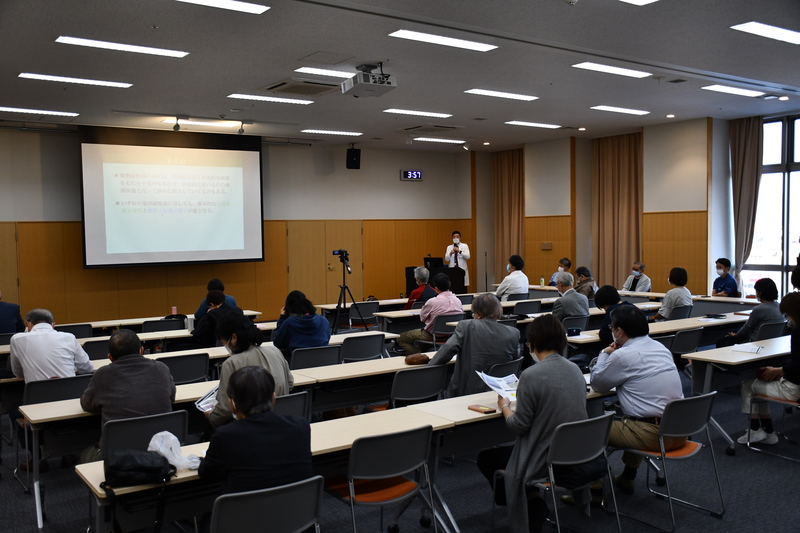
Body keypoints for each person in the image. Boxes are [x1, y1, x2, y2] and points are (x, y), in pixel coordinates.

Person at [476, 315, 588, 533]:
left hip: (545, 458)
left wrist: (505, 407)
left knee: (487, 458)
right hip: (575, 452)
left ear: (533, 342)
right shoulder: (575, 369)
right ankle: (532, 499)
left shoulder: (531, 375)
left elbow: (518, 427)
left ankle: (529, 503)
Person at [590, 305, 685, 494]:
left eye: (612, 328)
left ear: (620, 331)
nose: (611, 331)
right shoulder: (661, 348)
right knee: (633, 418)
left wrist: (604, 353)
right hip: (680, 429)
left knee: (591, 429)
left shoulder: (623, 355)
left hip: (653, 435)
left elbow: (597, 384)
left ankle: (593, 491)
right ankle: (627, 477)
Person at [199, 366, 312, 495]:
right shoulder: (301, 426)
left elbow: (206, 474)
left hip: (244, 513)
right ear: (273, 399)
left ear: (232, 405)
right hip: (296, 511)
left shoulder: (225, 436)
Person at [79, 329, 176, 462]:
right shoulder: (161, 368)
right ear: (141, 350)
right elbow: (171, 399)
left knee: (84, 453)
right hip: (160, 449)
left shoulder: (102, 375)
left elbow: (87, 404)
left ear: (110, 357)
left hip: (118, 455)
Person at [207, 313, 293, 430]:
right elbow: (290, 384)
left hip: (247, 426)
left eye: (223, 342)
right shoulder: (275, 351)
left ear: (233, 338)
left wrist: (212, 417)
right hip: (280, 421)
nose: (225, 346)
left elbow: (226, 408)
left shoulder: (231, 363)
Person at [426, 293, 519, 397]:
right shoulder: (513, 333)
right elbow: (515, 361)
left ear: (478, 314)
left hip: (466, 391)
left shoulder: (466, 326)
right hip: (500, 392)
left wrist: (429, 368)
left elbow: (447, 351)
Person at [738, 292, 800, 445]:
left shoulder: (798, 333)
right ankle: (768, 431)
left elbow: (799, 367)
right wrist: (780, 370)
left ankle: (755, 431)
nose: (787, 319)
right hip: (795, 384)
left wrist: (779, 371)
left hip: (793, 390)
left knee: (747, 385)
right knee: (762, 382)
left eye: (787, 314)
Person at [9, 308, 93, 383]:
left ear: (28, 324)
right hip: (69, 393)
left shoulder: (17, 339)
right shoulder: (69, 337)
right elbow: (87, 368)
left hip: (37, 395)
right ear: (53, 325)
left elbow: (18, 372)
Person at [397, 273, 463, 355]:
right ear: (450, 284)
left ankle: (420, 356)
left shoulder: (432, 301)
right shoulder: (458, 301)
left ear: (435, 288)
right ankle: (421, 353)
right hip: (453, 335)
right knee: (423, 342)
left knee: (401, 338)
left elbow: (422, 318)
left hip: (432, 335)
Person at [717, 278, 784, 348]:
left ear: (760, 293)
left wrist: (736, 335)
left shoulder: (759, 309)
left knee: (722, 342)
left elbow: (747, 328)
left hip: (754, 342)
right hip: (774, 343)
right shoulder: (780, 306)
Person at [272, 290, 330, 357]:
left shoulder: (289, 323)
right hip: (323, 362)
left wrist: (282, 318)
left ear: (288, 308)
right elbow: (327, 339)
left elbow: (278, 343)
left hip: (299, 364)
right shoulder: (323, 320)